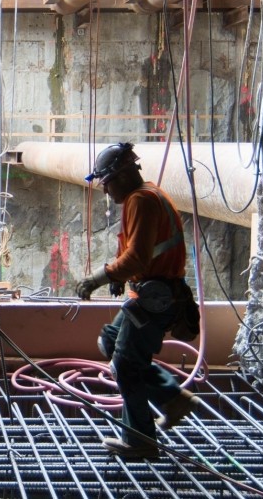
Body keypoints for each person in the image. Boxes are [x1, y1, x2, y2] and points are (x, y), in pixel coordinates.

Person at [74, 142, 202, 461]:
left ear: (124, 175)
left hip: (154, 297)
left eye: (107, 182)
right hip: (154, 292)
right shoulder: (146, 195)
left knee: (126, 365)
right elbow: (139, 251)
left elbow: (137, 256)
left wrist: (99, 278)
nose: (106, 190)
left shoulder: (141, 200)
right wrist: (120, 277)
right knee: (111, 340)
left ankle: (140, 439)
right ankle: (173, 399)